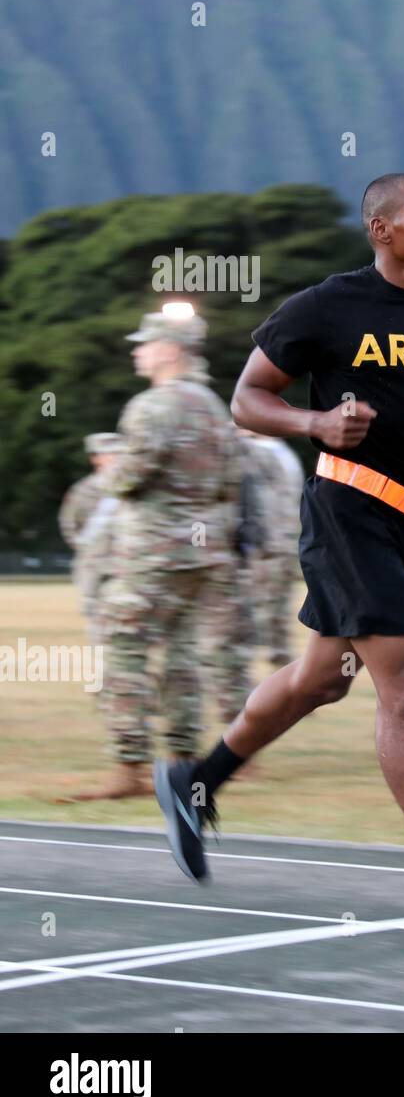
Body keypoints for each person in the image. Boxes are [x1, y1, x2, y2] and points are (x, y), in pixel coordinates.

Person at [153, 173, 404, 929]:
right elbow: (248, 399)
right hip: (346, 508)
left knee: (323, 679)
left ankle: (196, 780)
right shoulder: (327, 306)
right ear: (383, 229)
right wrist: (317, 424)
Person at [71, 309, 243, 802]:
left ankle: (128, 766)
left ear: (170, 350)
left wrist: (109, 473)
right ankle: (185, 759)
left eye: (144, 343)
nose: (136, 351)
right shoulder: (214, 405)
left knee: (121, 648)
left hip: (152, 552)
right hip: (201, 552)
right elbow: (231, 482)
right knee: (182, 655)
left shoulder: (151, 407)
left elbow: (127, 479)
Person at [240, 431, 304, 667]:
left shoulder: (259, 454)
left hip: (265, 549)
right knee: (278, 622)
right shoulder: (287, 455)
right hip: (285, 545)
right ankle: (288, 686)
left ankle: (242, 685)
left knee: (249, 618)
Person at [58, 432, 124, 646]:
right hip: (94, 565)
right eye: (108, 454)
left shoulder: (134, 488)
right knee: (96, 617)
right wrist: (87, 549)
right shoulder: (83, 490)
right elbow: (70, 524)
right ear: (95, 458)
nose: (114, 458)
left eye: (118, 453)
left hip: (127, 564)